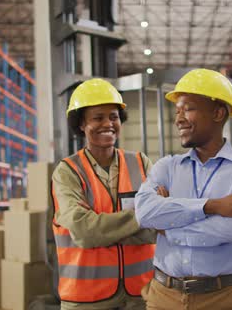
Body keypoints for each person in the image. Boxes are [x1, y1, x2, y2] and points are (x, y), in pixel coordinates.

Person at [135, 68, 232, 310]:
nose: (178, 119)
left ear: (218, 113)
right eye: (177, 111)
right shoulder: (167, 166)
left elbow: (231, 229)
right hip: (164, 296)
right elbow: (144, 212)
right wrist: (212, 206)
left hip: (225, 298)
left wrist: (167, 226)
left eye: (188, 109)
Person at [51, 79, 156, 310]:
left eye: (114, 117)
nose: (108, 124)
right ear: (81, 124)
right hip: (86, 300)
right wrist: (143, 218)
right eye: (98, 117)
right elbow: (84, 232)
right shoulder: (67, 171)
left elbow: (160, 226)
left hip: (141, 296)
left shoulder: (141, 163)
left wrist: (105, 232)